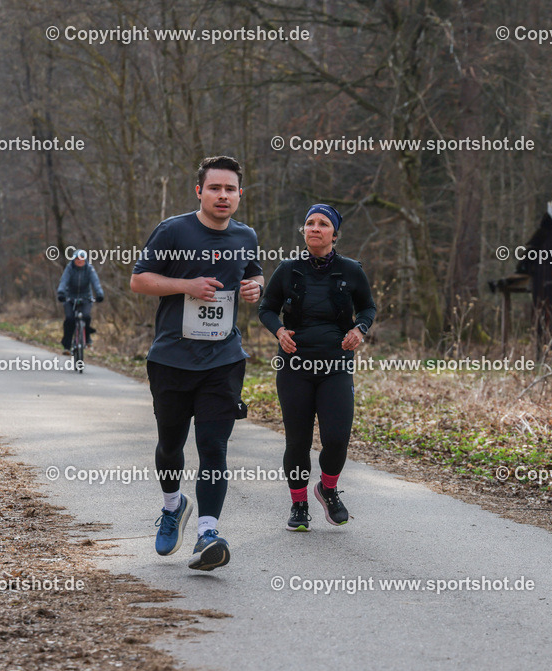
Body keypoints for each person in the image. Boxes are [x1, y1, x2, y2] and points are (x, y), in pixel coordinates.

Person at [130, 155, 263, 571]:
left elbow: (255, 274)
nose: (223, 195)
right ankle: (173, 506)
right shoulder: (173, 230)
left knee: (213, 447)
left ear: (240, 195)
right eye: (215, 188)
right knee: (171, 445)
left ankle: (208, 533)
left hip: (223, 360)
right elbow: (139, 279)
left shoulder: (246, 236)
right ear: (199, 191)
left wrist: (256, 288)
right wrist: (186, 285)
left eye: (230, 189)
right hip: (172, 359)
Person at [258, 204, 376, 531]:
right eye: (310, 222)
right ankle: (299, 505)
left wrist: (359, 329)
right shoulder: (288, 269)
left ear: (334, 235)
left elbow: (367, 307)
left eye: (323, 224)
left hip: (335, 365)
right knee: (297, 441)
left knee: (336, 438)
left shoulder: (351, 270)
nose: (315, 228)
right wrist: (279, 331)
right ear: (304, 231)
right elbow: (266, 308)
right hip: (295, 366)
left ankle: (328, 488)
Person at [56, 249, 104, 353]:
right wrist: (61, 293)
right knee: (70, 319)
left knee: (86, 316)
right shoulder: (69, 268)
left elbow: (95, 282)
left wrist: (99, 294)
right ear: (73, 260)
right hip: (70, 297)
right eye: (77, 259)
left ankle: (87, 338)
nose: (79, 261)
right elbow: (63, 281)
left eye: (82, 259)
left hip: (86, 297)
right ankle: (67, 346)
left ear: (85, 260)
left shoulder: (89, 269)